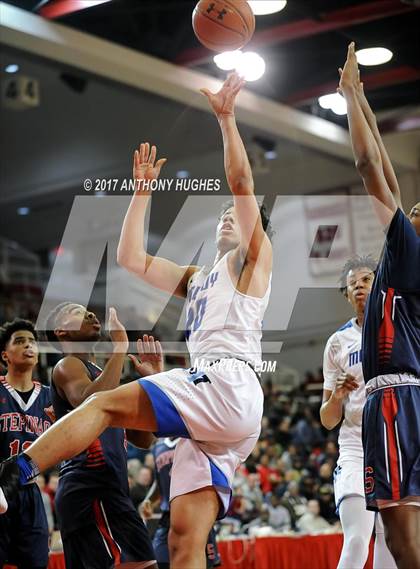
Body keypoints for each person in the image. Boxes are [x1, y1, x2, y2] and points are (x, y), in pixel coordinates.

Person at [0, 72, 273, 569]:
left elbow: (240, 182)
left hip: (228, 380)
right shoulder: (198, 277)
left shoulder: (252, 263)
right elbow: (131, 259)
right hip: (219, 408)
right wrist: (142, 190)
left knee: (104, 404)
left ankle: (14, 472)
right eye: (225, 216)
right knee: (183, 541)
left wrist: (227, 119)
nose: (229, 218)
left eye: (240, 217)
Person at [339, 42, 420, 568]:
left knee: (399, 536)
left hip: (394, 402)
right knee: (406, 532)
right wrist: (363, 100)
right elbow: (388, 177)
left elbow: (370, 166)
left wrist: (348, 96)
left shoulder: (411, 253)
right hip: (407, 398)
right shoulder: (406, 254)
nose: (413, 206)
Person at [45, 303, 158, 569]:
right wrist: (119, 349)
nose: (90, 314)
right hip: (91, 488)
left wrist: (151, 385)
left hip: (110, 491)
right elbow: (91, 401)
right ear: (61, 331)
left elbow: (143, 439)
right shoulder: (67, 365)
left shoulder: (103, 377)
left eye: (87, 310)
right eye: (76, 312)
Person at [321, 255, 396, 569]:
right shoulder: (337, 343)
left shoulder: (397, 330)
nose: (360, 287)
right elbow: (327, 419)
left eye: (366, 280)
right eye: (353, 284)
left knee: (390, 543)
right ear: (346, 294)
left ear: (378, 284)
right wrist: (337, 397)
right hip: (354, 448)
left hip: (393, 446)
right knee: (356, 540)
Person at [0, 318, 52, 569]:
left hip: (31, 492)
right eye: (19, 341)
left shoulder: (52, 397)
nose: (28, 346)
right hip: (0, 486)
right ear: (5, 355)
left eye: (32, 341)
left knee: (36, 562)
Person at [140, 437, 221, 569]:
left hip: (195, 515)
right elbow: (158, 480)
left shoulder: (195, 438)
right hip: (168, 517)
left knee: (205, 563)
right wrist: (148, 499)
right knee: (160, 563)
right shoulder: (158, 446)